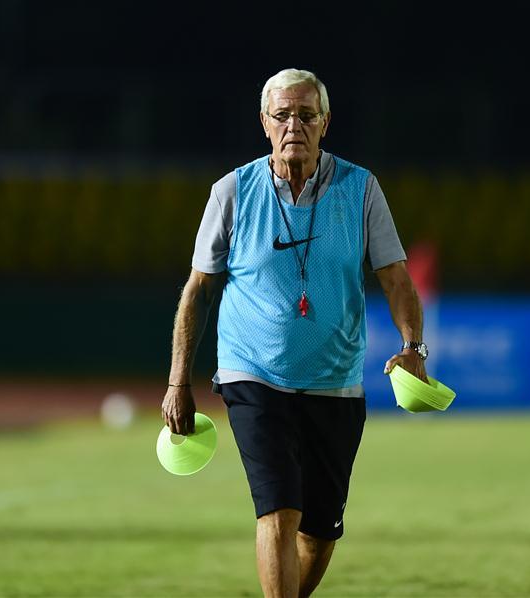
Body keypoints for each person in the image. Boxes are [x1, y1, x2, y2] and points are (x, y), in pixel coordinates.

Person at [160, 68, 430, 597]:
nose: (294, 126)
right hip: (252, 374)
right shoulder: (232, 192)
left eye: (306, 115)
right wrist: (177, 381)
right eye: (282, 115)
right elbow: (197, 289)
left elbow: (396, 278)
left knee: (320, 533)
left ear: (325, 122)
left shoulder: (361, 189)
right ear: (264, 123)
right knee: (279, 511)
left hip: (335, 381)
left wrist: (413, 346)